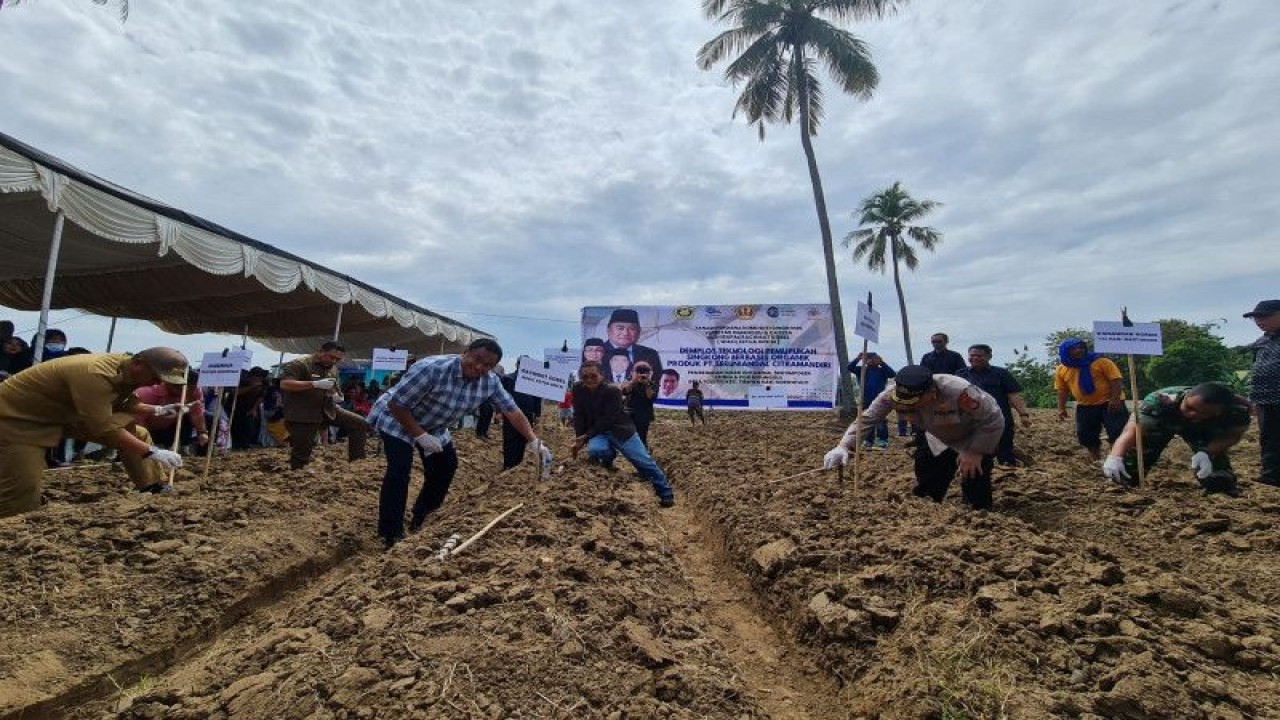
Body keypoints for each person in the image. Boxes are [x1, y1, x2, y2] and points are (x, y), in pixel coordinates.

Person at [367, 339, 552, 548]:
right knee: (399, 470)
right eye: (477, 359)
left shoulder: (490, 382)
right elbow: (397, 405)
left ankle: (423, 516)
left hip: (436, 425)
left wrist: (533, 440)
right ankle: (391, 533)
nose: (480, 367)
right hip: (398, 420)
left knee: (446, 466)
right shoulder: (432, 369)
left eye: (488, 365)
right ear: (465, 353)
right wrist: (420, 436)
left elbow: (512, 411)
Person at [0, 348, 191, 518]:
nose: (157, 383)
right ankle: (10, 526)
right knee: (21, 491)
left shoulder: (125, 369)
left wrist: (157, 410)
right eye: (156, 377)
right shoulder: (95, 374)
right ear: (138, 363)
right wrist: (151, 451)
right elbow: (104, 428)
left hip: (60, 415)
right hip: (18, 418)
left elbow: (122, 402)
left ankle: (152, 486)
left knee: (137, 434)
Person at [823, 365, 1004, 510]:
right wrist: (844, 445)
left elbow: (993, 418)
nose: (908, 415)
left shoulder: (960, 391)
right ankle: (927, 514)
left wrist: (974, 451)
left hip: (972, 436)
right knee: (928, 480)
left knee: (975, 479)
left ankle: (978, 515)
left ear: (931, 393)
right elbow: (868, 419)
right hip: (936, 437)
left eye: (914, 406)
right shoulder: (890, 395)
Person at [1102, 383, 1251, 496]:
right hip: (1163, 421)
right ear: (1186, 398)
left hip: (1204, 429)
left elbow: (1233, 435)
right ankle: (1125, 477)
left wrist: (1207, 452)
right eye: (1189, 407)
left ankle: (1219, 482)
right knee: (1137, 454)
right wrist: (1115, 456)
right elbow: (1132, 430)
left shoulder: (1237, 410)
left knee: (1216, 474)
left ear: (1220, 411)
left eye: (1202, 412)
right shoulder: (1161, 400)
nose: (1191, 414)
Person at [571, 361, 675, 507]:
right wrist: (579, 437)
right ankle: (609, 458)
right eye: (584, 376)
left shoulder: (612, 390)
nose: (589, 380)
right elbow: (578, 414)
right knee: (596, 450)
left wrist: (587, 436)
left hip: (621, 430)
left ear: (602, 375)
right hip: (597, 431)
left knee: (643, 461)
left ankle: (665, 492)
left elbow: (609, 419)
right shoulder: (578, 389)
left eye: (593, 376)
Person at [279, 341, 368, 470]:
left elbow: (334, 387)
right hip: (304, 412)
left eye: (338, 359)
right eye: (331, 357)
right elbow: (285, 384)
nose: (334, 361)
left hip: (327, 408)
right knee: (302, 450)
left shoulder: (333, 368)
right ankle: (297, 474)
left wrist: (336, 395)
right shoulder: (300, 364)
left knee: (359, 423)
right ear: (320, 351)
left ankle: (357, 463)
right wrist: (314, 384)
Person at [1055, 338, 1129, 460]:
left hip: (1110, 403)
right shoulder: (1062, 369)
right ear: (1065, 352)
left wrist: (1115, 399)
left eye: (1081, 347)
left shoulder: (1102, 362)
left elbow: (1115, 380)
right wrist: (1061, 408)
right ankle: (1095, 459)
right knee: (1086, 436)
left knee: (1117, 432)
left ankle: (1115, 460)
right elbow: (1062, 390)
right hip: (1085, 406)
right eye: (1074, 348)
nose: (1079, 350)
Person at [957, 344, 1031, 466]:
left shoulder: (1001, 373)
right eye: (972, 355)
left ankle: (1008, 471)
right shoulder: (961, 374)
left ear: (989, 357)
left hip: (1000, 418)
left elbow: (1013, 395)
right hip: (972, 419)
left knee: (1005, 449)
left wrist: (1023, 415)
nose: (975, 358)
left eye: (979, 355)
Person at [1245, 300, 1280, 487]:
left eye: (1265, 316)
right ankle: (1271, 475)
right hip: (1264, 398)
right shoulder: (1262, 341)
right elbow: (1256, 368)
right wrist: (1253, 400)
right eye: (1256, 318)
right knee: (1269, 437)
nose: (1259, 321)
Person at [134, 369, 208, 453]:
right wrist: (145, 445)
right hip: (146, 427)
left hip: (169, 427)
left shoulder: (195, 391)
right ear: (169, 383)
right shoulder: (147, 392)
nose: (187, 390)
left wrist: (201, 432)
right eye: (179, 386)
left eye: (192, 387)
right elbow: (138, 420)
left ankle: (183, 448)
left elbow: (197, 412)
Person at [847, 352, 898, 449]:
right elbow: (849, 367)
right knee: (867, 421)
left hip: (880, 400)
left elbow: (892, 374)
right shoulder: (862, 370)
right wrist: (858, 358)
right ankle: (868, 440)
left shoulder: (882, 370)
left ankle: (882, 440)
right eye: (868, 359)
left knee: (881, 421)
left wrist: (882, 363)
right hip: (865, 399)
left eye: (874, 359)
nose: (871, 361)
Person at [499, 362, 544, 470]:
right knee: (510, 438)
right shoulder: (508, 378)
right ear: (517, 365)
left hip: (528, 412)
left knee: (523, 438)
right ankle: (509, 464)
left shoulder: (533, 379)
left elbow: (537, 398)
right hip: (511, 413)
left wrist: (537, 413)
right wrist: (498, 411)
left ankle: (518, 463)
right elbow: (500, 395)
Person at [600, 309, 663, 382]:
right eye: (620, 328)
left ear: (639, 331)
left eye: (632, 329)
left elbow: (657, 382)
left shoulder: (650, 354)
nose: (625, 333)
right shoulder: (596, 352)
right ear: (608, 329)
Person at [622, 361, 658, 447]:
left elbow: (651, 397)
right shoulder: (628, 382)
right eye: (638, 371)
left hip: (644, 414)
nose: (642, 374)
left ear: (649, 373)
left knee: (642, 436)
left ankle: (642, 451)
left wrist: (646, 384)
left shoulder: (652, 384)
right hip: (629, 413)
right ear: (632, 372)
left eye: (645, 371)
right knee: (629, 436)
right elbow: (625, 391)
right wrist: (634, 380)